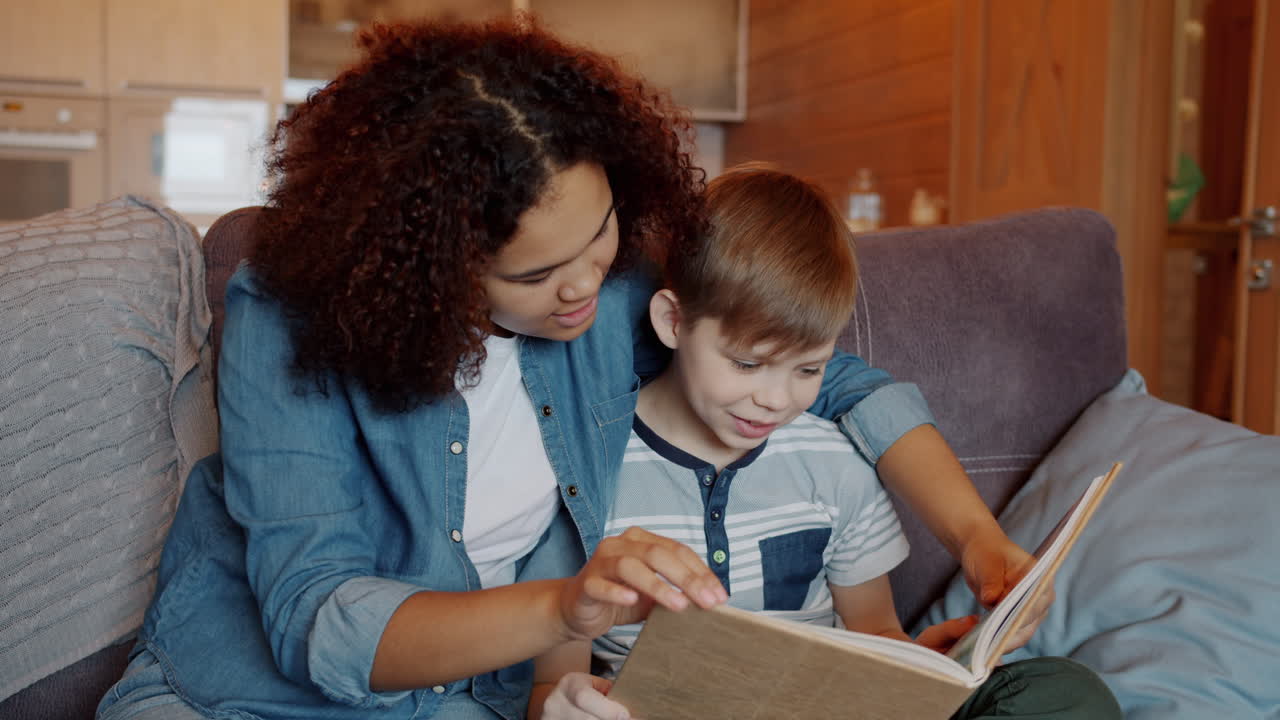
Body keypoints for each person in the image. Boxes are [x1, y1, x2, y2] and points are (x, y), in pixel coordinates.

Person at [98, 17, 1039, 720]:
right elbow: (319, 620)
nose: (587, 289)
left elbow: (821, 378)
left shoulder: (616, 290)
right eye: (538, 274)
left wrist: (976, 542)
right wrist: (564, 608)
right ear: (428, 266)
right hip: (248, 695)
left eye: (601, 236)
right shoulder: (291, 318)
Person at [530, 165, 1121, 720]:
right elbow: (550, 681)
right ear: (673, 322)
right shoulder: (589, 470)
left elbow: (874, 633)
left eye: (808, 369)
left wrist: (921, 666)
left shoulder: (833, 463)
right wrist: (574, 704)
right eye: (747, 363)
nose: (776, 399)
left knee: (1065, 693)